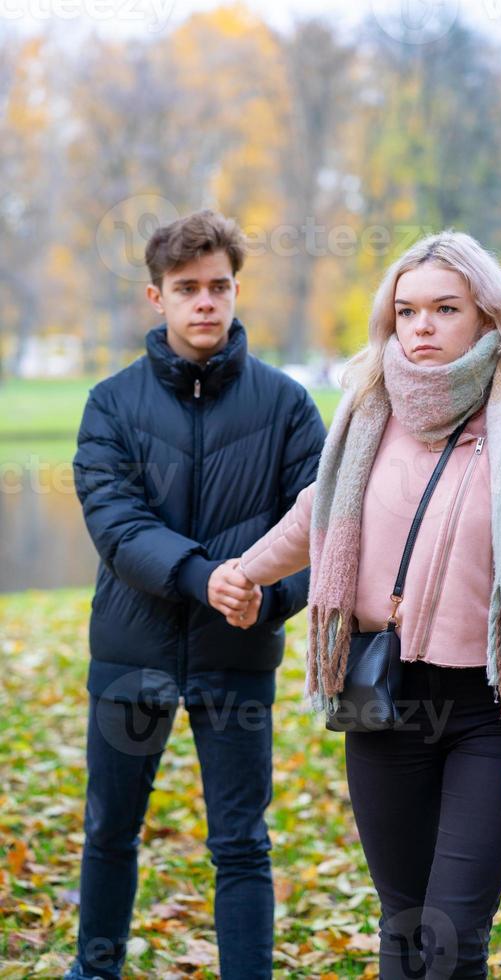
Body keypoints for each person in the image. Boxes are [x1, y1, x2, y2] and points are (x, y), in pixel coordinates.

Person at [228, 231, 501, 979]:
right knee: (402, 926)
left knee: (452, 935)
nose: (422, 326)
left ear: (487, 319)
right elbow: (317, 512)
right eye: (407, 311)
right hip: (383, 700)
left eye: (444, 309)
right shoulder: (370, 411)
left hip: (488, 709)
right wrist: (248, 572)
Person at [66, 209, 326, 980]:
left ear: (236, 290)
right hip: (130, 653)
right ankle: (94, 971)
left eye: (219, 286)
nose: (205, 302)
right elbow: (115, 524)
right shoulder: (111, 405)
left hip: (238, 654)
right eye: (188, 289)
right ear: (157, 298)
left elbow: (328, 532)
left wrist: (267, 598)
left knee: (241, 843)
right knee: (111, 830)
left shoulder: (287, 407)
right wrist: (204, 577)